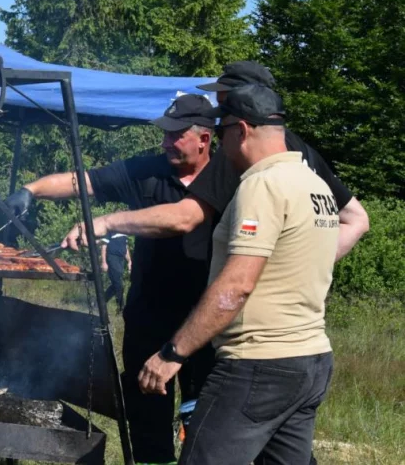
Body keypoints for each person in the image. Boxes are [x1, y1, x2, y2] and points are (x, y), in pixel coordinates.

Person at [0, 94, 218, 465]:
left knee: (206, 426)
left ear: (203, 139)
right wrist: (31, 190)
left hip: (206, 321)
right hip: (149, 319)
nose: (164, 142)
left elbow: (184, 219)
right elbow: (83, 182)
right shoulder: (148, 170)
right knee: (147, 424)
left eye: (174, 135)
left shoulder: (226, 175)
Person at [138, 84, 339, 464]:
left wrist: (172, 352)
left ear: (242, 130)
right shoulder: (315, 185)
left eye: (223, 132)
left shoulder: (261, 185)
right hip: (310, 360)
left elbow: (236, 285)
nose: (220, 145)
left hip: (258, 365)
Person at [65, 61, 369, 261]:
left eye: (223, 99)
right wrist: (311, 268)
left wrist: (106, 222)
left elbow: (185, 217)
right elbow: (357, 219)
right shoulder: (301, 150)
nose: (217, 107)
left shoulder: (241, 150)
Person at [100, 233, 131, 313]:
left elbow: (126, 248)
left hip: (121, 260)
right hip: (112, 258)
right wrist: (104, 262)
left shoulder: (124, 233)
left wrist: (129, 261)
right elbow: (103, 247)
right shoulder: (111, 231)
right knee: (118, 284)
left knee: (115, 285)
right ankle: (121, 308)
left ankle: (100, 302)